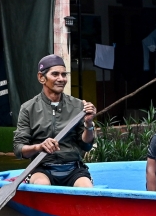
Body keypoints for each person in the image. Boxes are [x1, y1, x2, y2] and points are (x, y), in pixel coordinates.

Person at [13, 54, 96, 187]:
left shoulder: (78, 106)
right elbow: (19, 149)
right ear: (41, 77)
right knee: (42, 185)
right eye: (55, 74)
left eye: (64, 75)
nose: (61, 79)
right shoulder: (28, 108)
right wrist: (39, 147)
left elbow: (86, 145)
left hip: (73, 169)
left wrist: (88, 123)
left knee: (86, 188)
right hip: (42, 168)